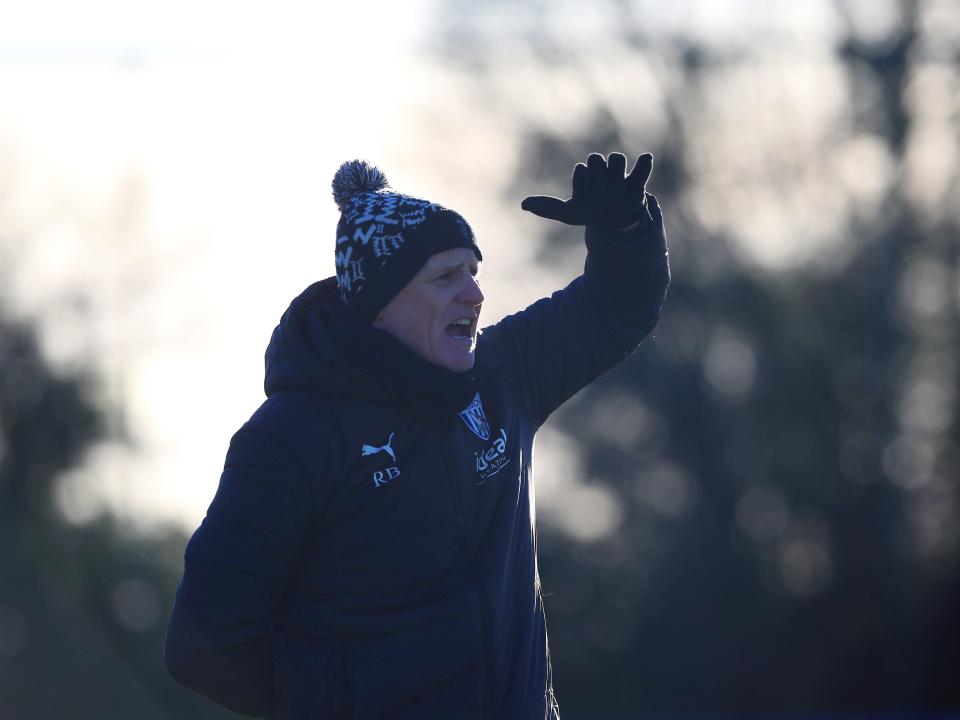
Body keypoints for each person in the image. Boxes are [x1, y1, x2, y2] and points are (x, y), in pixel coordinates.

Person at [164, 152, 670, 719]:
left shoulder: (504, 376)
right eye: (445, 278)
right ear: (381, 304)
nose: (474, 296)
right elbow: (204, 644)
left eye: (473, 273)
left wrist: (625, 230)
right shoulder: (287, 441)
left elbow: (616, 307)